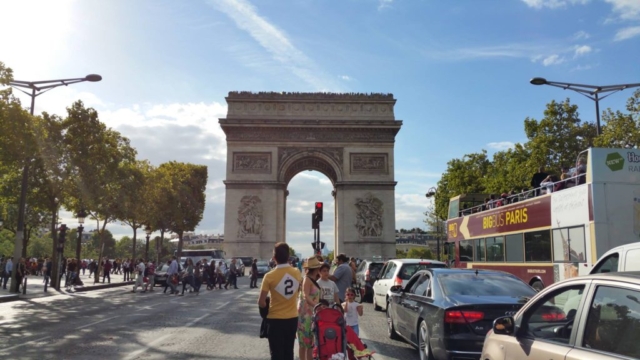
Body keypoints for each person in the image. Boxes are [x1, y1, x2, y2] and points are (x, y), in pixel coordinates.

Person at [258, 242, 302, 360]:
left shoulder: (269, 276)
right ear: (288, 257)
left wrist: (265, 310)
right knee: (289, 352)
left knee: (276, 354)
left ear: (274, 258)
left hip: (275, 320)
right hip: (292, 318)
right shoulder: (297, 272)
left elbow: (261, 302)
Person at [297, 256, 322, 360]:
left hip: (311, 313)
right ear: (316, 269)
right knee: (305, 343)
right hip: (306, 314)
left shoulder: (312, 279)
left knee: (310, 342)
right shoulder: (307, 279)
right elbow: (305, 296)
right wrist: (316, 306)